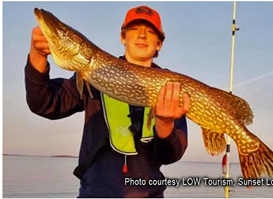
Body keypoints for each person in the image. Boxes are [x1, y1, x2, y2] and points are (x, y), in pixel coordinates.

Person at [25, 5, 190, 198]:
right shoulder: (92, 75)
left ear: (159, 43)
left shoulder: (170, 87)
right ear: (123, 37)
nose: (142, 35)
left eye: (151, 31)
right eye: (135, 29)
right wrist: (37, 55)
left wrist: (164, 123)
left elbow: (170, 156)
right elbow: (45, 104)